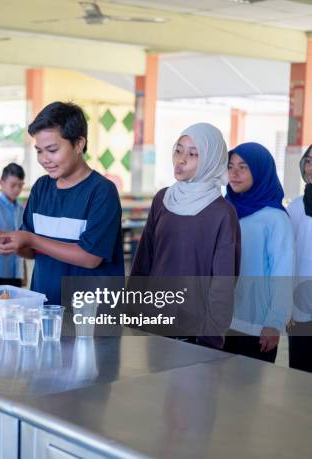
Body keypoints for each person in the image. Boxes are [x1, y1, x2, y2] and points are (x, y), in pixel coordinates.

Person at [0, 101, 124, 305]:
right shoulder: (41, 188)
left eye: (52, 150)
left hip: (90, 315)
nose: (44, 159)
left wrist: (31, 239)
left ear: (79, 144)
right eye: (39, 151)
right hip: (46, 308)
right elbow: (31, 250)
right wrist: (11, 241)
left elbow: (90, 257)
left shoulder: (102, 191)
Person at [130, 123, 240, 348]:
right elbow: (144, 260)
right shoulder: (162, 199)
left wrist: (211, 335)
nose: (181, 159)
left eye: (193, 154)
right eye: (178, 150)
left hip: (194, 329)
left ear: (210, 161)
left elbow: (223, 281)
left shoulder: (222, 213)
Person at [223, 142, 293, 363]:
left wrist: (275, 322)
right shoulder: (224, 209)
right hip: (221, 319)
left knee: (247, 393)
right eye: (230, 166)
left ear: (261, 171)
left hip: (255, 324)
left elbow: (283, 273)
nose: (234, 173)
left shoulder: (275, 218)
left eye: (243, 167)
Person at [288, 145, 312, 372]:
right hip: (300, 305)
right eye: (309, 161)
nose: (311, 167)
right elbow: (288, 255)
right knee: (300, 370)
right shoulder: (295, 208)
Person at [0, 162, 26, 287]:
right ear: (1, 183)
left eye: (20, 185)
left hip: (16, 271)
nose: (17, 189)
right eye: (13, 185)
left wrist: (24, 272)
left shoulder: (20, 208)